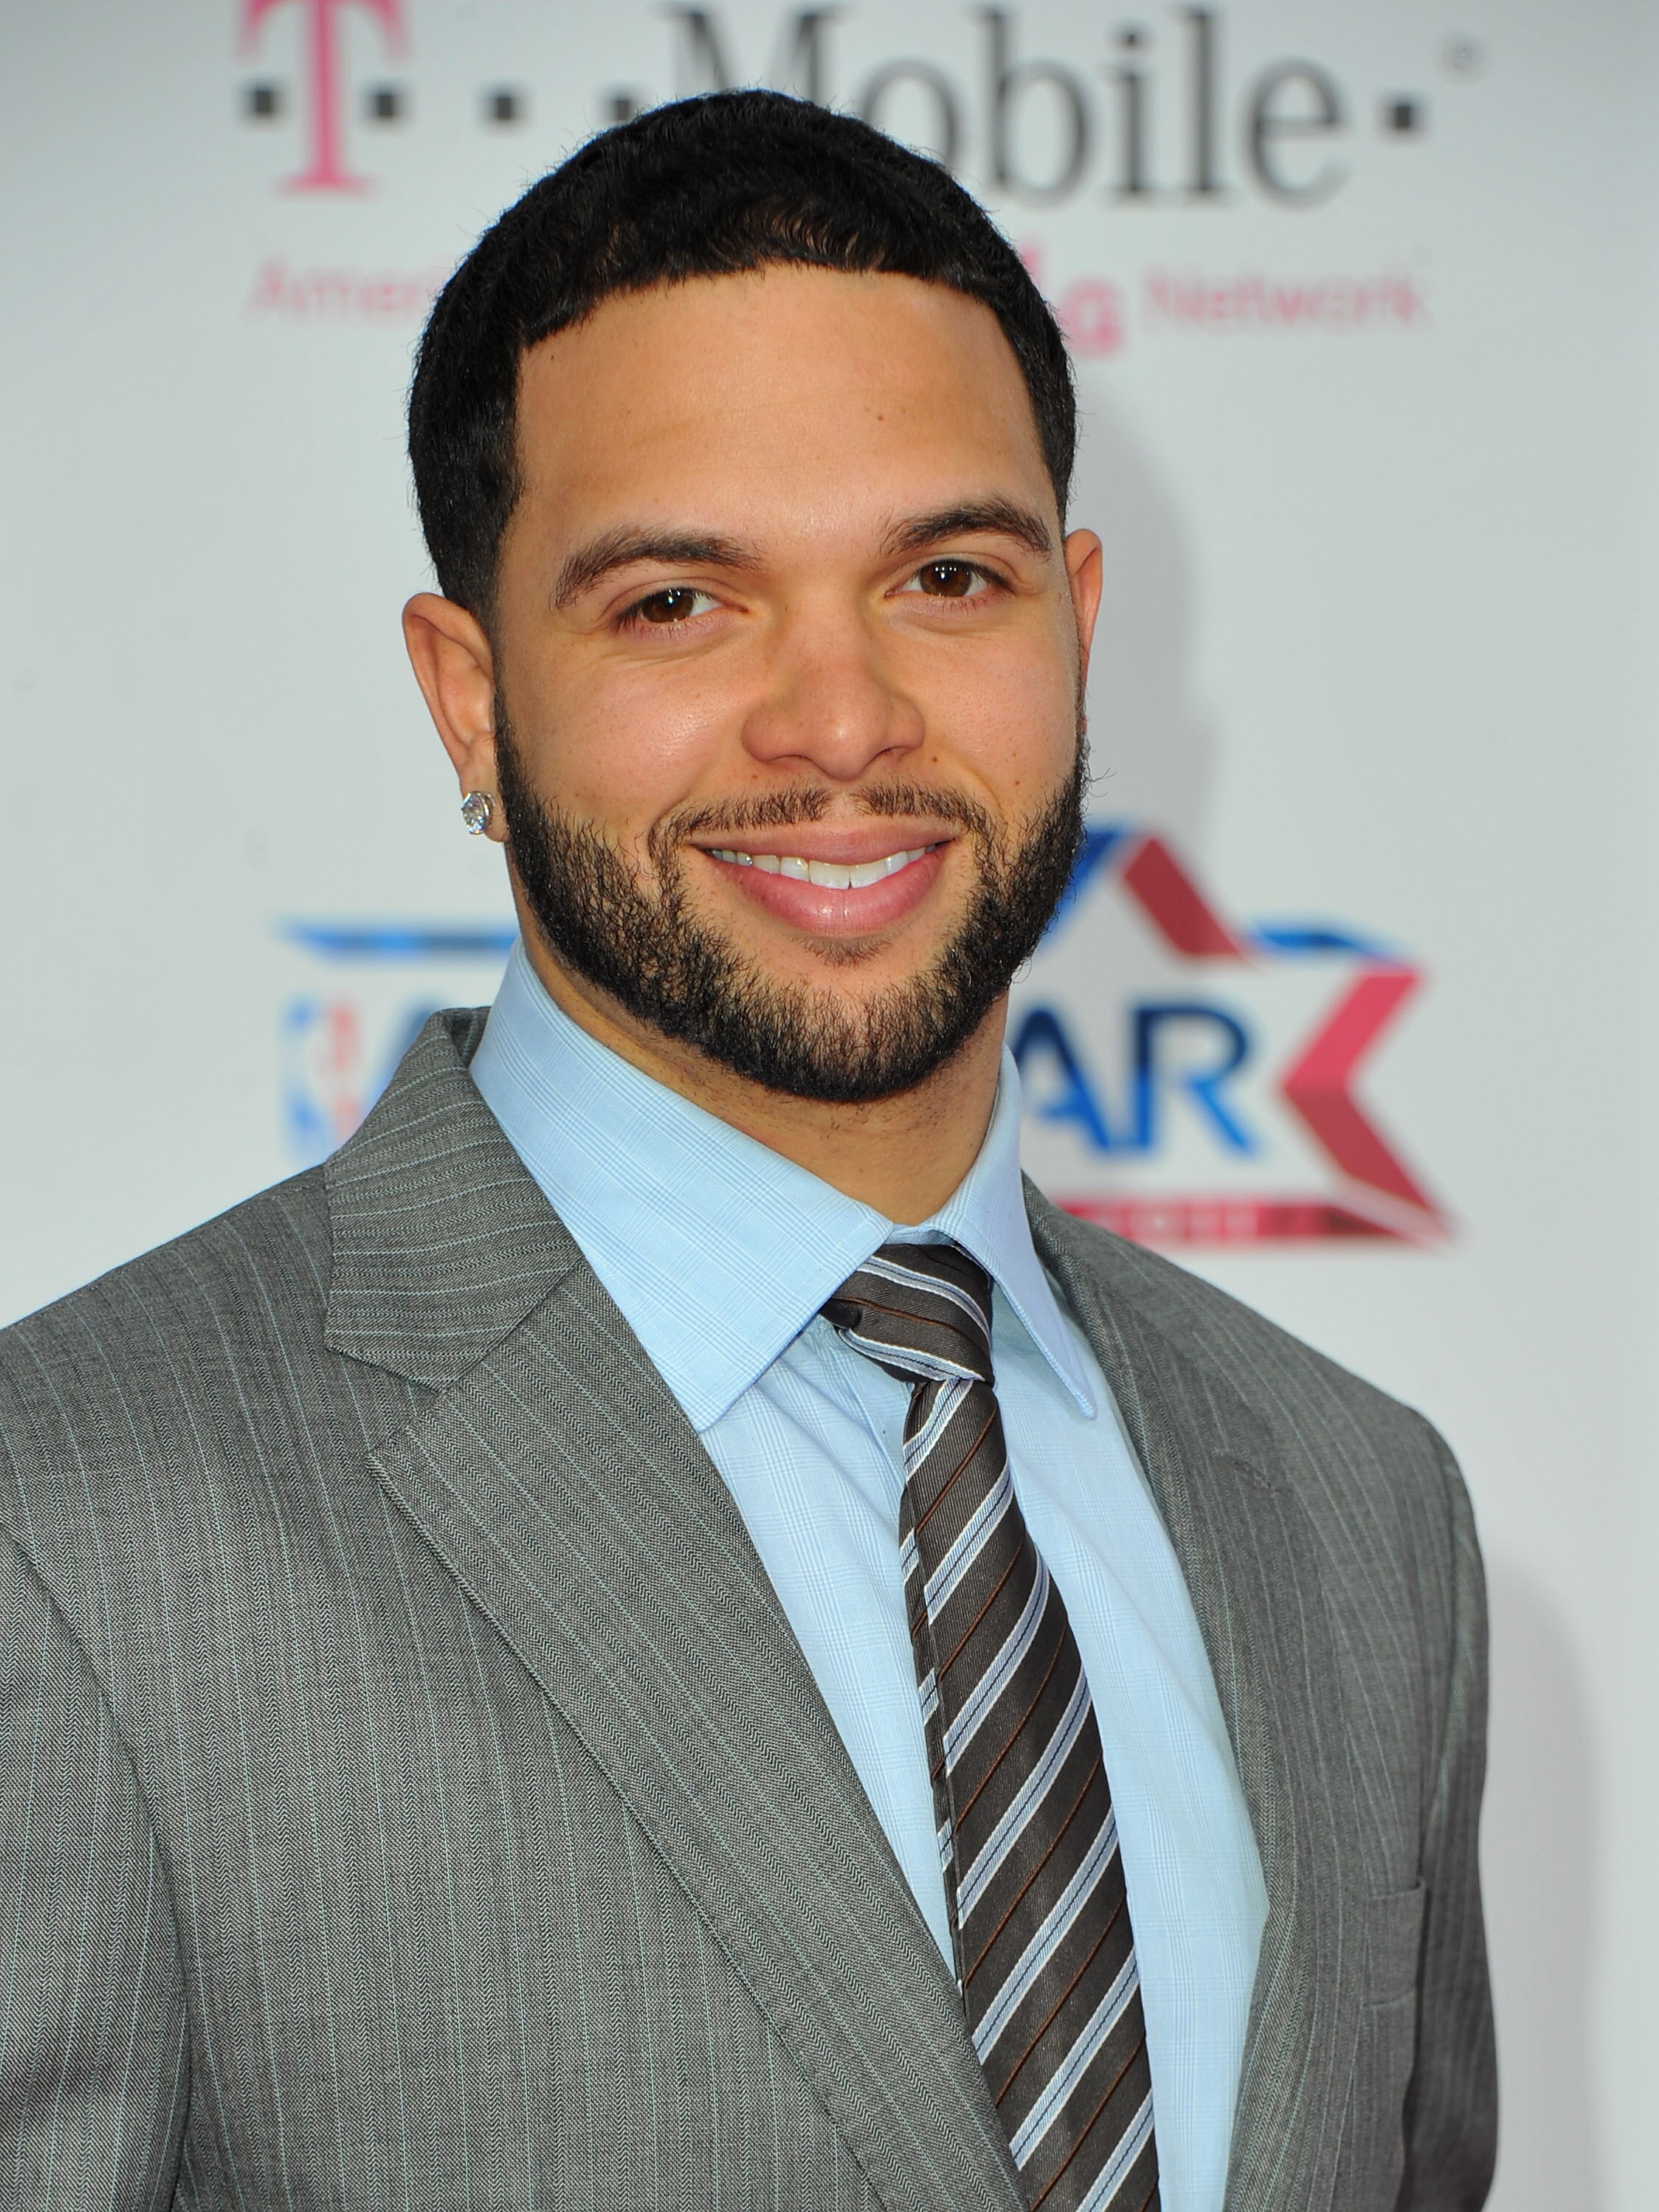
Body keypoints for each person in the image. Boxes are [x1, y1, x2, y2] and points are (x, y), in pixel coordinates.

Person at [0, 90, 1493, 2212]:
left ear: (1073, 621)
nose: (839, 720)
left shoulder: (1358, 1512)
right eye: (678, 605)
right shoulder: (64, 1526)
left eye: (945, 576)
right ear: (465, 694)